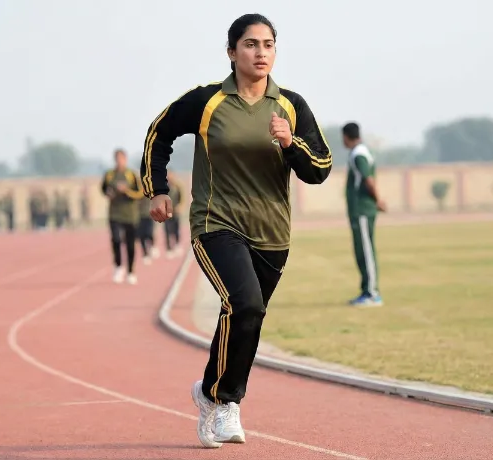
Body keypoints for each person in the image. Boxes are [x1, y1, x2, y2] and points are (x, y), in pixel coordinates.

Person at [140, 13, 332, 448]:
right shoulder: (207, 101)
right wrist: (157, 188)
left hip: (272, 232)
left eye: (267, 44)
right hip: (217, 221)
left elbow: (319, 169)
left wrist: (290, 142)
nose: (260, 52)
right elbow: (159, 131)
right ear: (231, 53)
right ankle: (223, 401)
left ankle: (213, 392)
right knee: (243, 303)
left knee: (249, 318)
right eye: (250, 44)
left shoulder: (291, 106)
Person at [342, 122, 386, 306]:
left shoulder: (359, 154)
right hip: (358, 210)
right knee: (361, 250)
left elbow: (368, 179)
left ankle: (372, 293)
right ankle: (366, 291)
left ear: (346, 136)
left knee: (366, 251)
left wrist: (378, 200)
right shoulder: (358, 152)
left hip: (362, 210)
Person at [101, 148, 144, 284]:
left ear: (125, 159)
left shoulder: (131, 175)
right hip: (114, 213)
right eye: (117, 159)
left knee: (130, 244)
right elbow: (103, 189)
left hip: (130, 214)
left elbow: (140, 193)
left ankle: (131, 271)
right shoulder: (109, 175)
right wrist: (109, 194)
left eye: (121, 159)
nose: (119, 161)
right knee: (116, 239)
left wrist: (127, 191)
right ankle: (118, 266)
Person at [163, 171, 184, 258]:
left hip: (176, 212)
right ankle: (168, 249)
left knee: (176, 229)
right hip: (166, 212)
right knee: (167, 230)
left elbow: (182, 198)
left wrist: (180, 206)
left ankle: (177, 244)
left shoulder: (178, 186)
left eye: (171, 175)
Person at [136, 197, 156, 265]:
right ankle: (145, 254)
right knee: (142, 236)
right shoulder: (137, 190)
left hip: (149, 215)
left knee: (149, 233)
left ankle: (152, 246)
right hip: (139, 216)